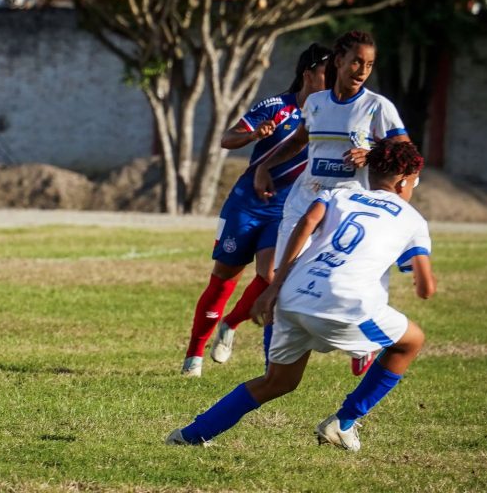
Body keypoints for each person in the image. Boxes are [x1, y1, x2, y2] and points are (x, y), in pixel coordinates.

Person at [166, 140, 435, 452]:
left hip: (293, 296)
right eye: (415, 181)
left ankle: (191, 435)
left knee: (277, 382)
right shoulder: (412, 219)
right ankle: (344, 422)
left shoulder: (340, 194)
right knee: (410, 342)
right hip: (347, 304)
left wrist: (274, 287)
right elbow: (424, 288)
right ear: (404, 180)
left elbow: (307, 223)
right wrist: (425, 281)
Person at [253, 30, 411, 376]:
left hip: (351, 209)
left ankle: (365, 344)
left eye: (369, 64)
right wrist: (265, 166)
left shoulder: (377, 107)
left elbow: (406, 155)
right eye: (356, 61)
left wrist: (372, 154)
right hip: (305, 201)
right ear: (338, 60)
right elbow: (299, 140)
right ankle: (273, 361)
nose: (362, 70)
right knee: (280, 276)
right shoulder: (316, 103)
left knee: (362, 276)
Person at [181, 43, 332, 377]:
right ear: (308, 75)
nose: (335, 79)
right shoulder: (277, 106)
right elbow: (227, 138)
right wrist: (251, 136)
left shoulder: (333, 115)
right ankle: (194, 355)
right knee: (223, 278)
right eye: (328, 72)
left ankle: (232, 324)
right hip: (247, 203)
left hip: (285, 209)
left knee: (272, 277)